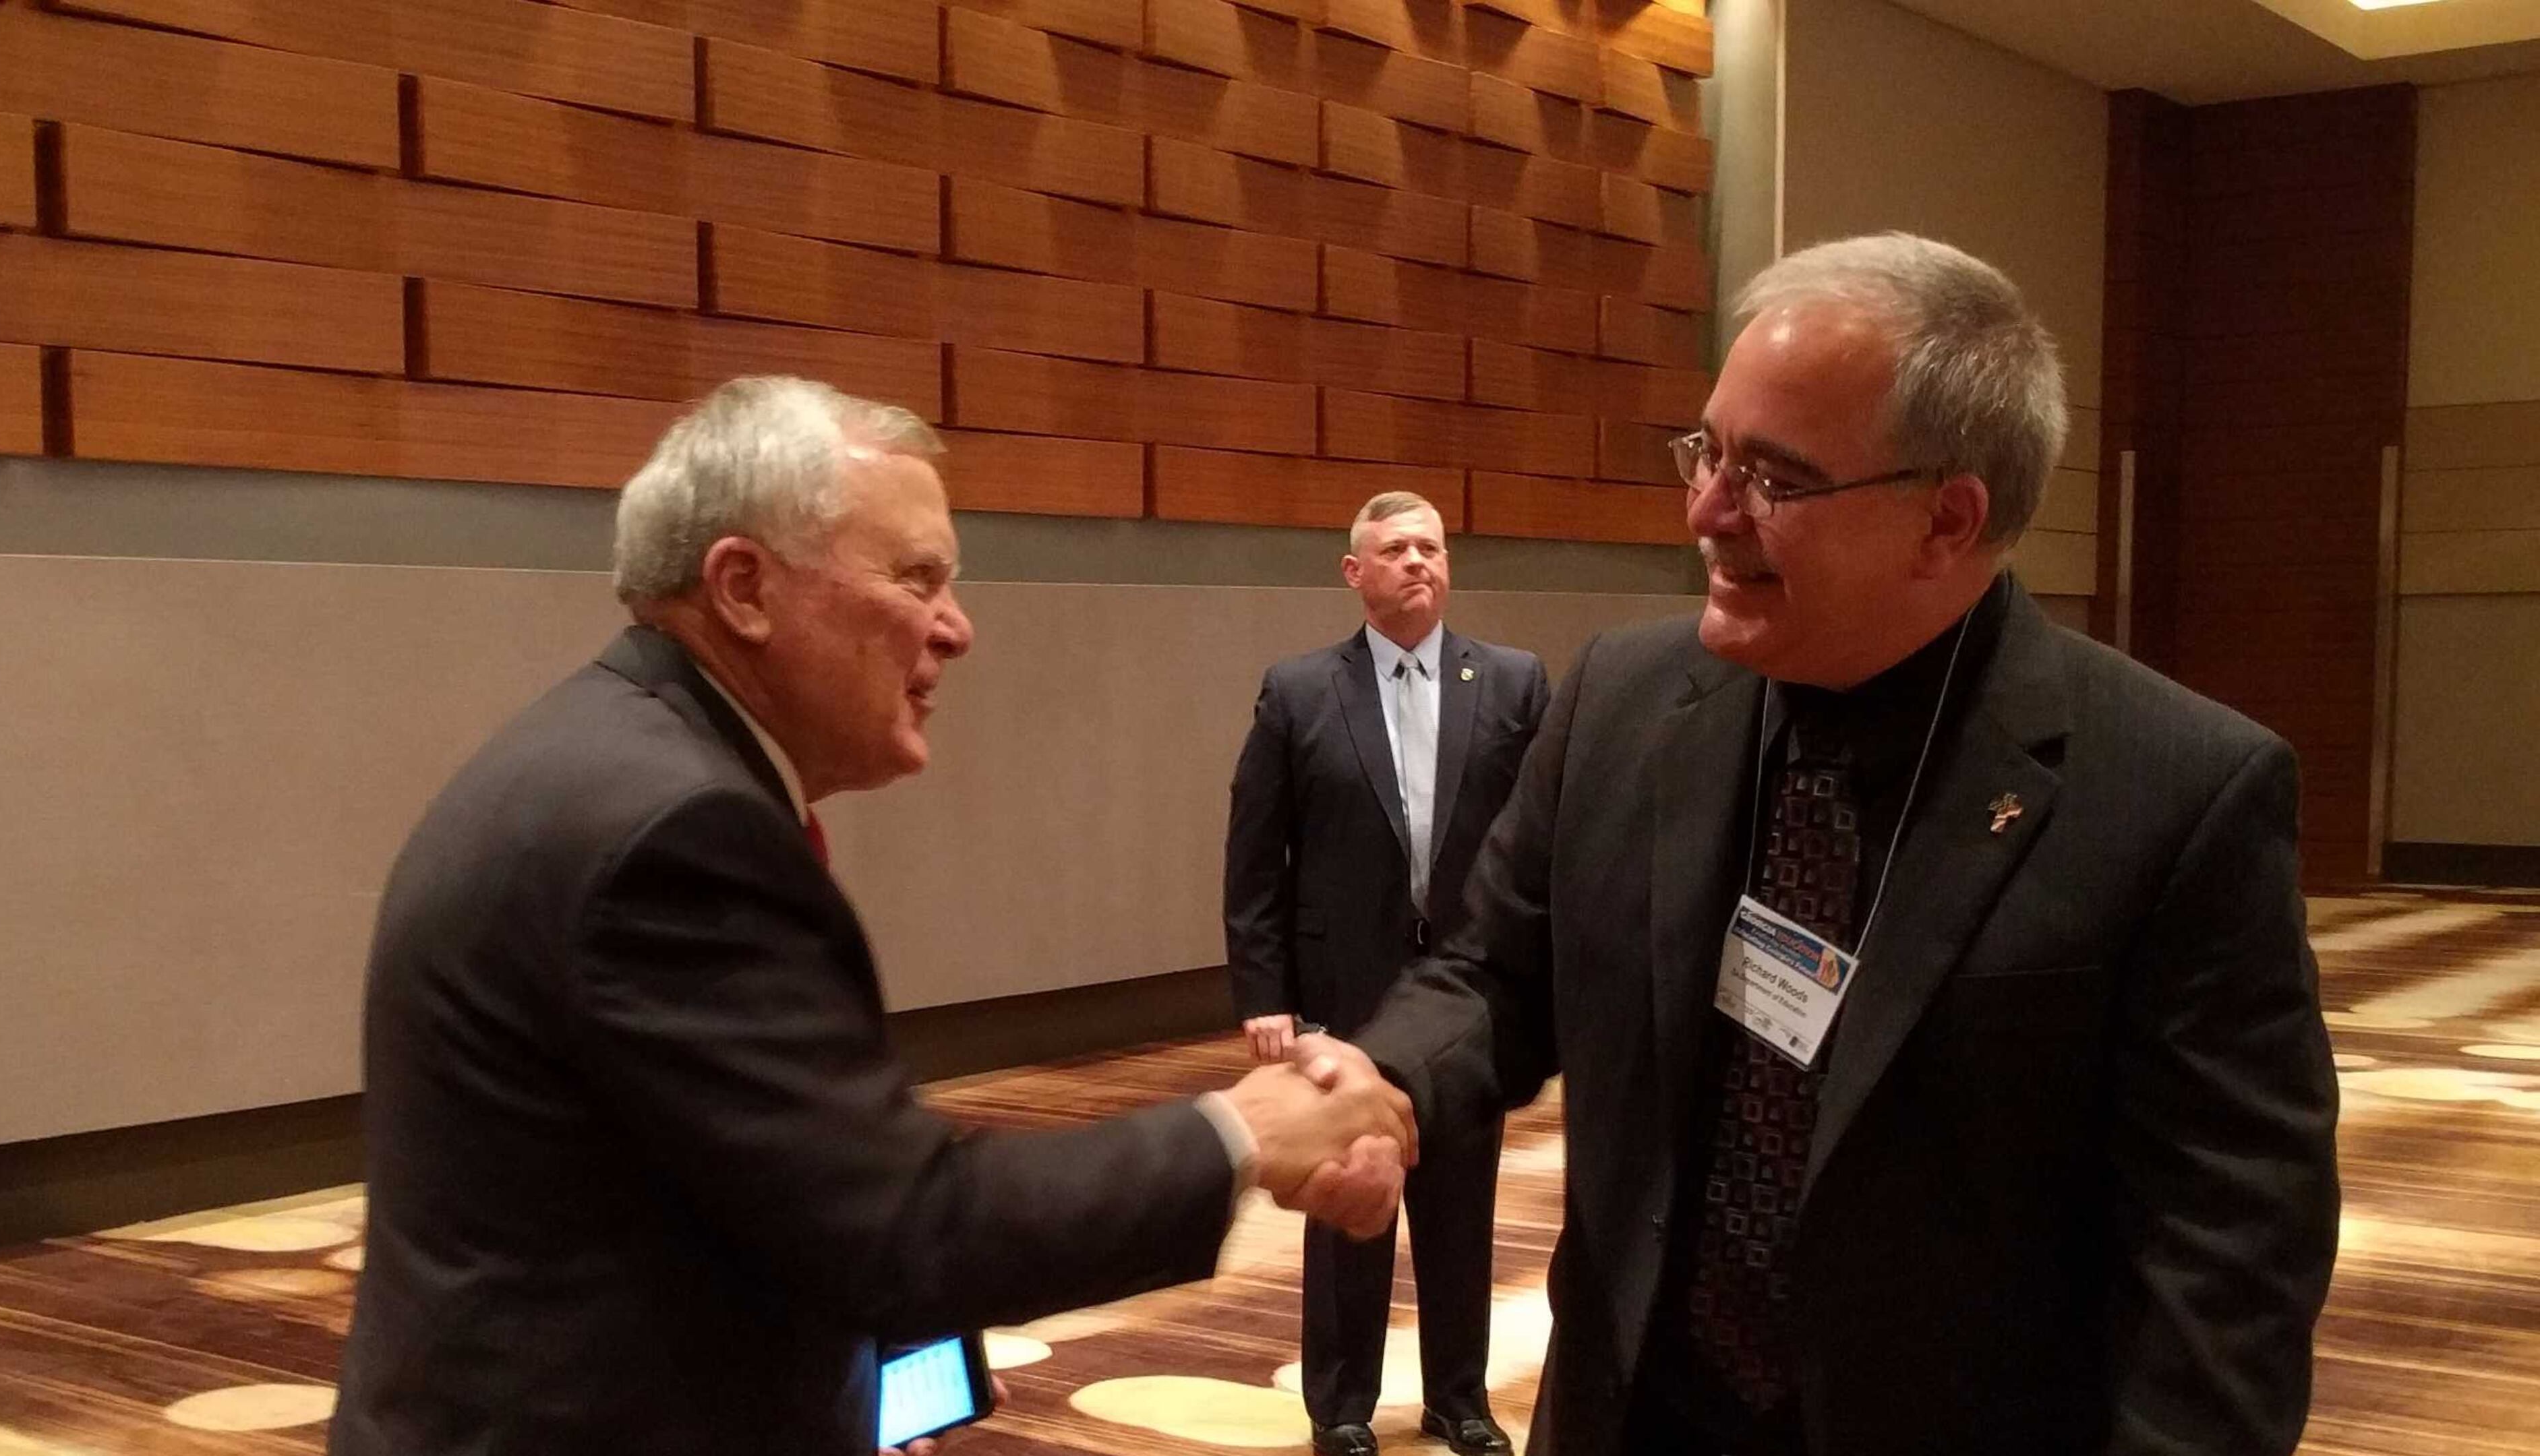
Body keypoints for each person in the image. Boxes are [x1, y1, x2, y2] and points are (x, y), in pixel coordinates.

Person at [1301, 234, 2341, 1455]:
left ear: (1947, 520)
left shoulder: (2177, 793)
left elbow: (2225, 1265)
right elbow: (1495, 973)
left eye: (1773, 480)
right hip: (1634, 1415)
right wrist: (1393, 1078)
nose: (1705, 511)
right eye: (1708, 452)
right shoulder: (1623, 702)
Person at [330, 377, 1414, 1456]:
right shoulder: (674, 836)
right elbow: (906, 1228)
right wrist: (1245, 1134)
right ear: (745, 588)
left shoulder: (620, 763)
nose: (957, 629)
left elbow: (758, 1198)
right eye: (918, 579)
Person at [1224, 493, 1550, 1456]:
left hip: (1471, 998)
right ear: (1353, 571)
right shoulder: (1299, 691)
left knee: (1462, 1205)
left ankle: (1459, 1398)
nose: (1417, 561)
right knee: (1348, 1209)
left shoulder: (1513, 681)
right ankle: (1343, 1407)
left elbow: (1539, 848)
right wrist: (1265, 996)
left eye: (1432, 547)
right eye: (1395, 549)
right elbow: (1255, 854)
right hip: (1343, 998)